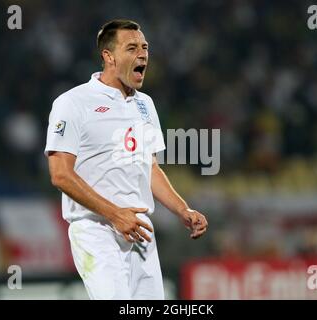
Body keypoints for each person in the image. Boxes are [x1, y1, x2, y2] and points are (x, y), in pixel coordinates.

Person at [45, 19, 208, 300]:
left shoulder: (145, 104)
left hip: (140, 230)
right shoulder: (73, 103)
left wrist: (183, 210)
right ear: (109, 56)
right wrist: (115, 214)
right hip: (96, 230)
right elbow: (60, 174)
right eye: (131, 48)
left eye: (144, 47)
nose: (142, 54)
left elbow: (150, 168)